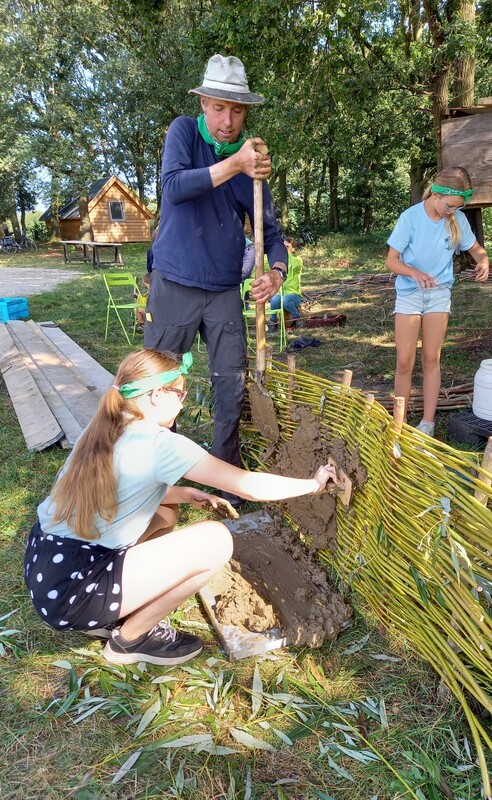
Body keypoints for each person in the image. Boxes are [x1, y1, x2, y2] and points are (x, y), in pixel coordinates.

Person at [23, 349, 338, 666]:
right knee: (216, 541)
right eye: (180, 392)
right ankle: (130, 639)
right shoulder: (161, 444)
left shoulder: (106, 425)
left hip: (50, 570)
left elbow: (120, 489)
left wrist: (185, 494)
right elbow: (248, 486)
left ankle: (113, 611)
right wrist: (312, 484)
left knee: (166, 514)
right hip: (76, 590)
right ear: (157, 394)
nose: (184, 401)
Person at [144, 54, 288, 508]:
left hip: (224, 291)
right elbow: (174, 187)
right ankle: (150, 477)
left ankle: (227, 476)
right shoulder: (183, 132)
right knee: (158, 385)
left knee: (230, 384)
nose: (228, 121)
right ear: (204, 103)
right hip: (175, 284)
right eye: (220, 108)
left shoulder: (254, 166)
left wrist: (277, 272)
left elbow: (275, 236)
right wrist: (235, 165)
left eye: (238, 110)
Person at [385, 167, 490, 437]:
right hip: (409, 293)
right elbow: (391, 260)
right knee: (404, 362)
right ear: (437, 193)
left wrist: (484, 260)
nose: (452, 211)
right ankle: (399, 422)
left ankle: (427, 424)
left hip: (439, 293)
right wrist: (415, 273)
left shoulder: (456, 219)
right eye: (450, 206)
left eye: (457, 208)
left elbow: (476, 250)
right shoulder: (410, 218)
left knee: (432, 358)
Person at [269, 237, 303, 328]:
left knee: (286, 300)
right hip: (280, 294)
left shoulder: (298, 259)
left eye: (287, 247)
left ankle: (297, 318)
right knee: (275, 299)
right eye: (283, 247)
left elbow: (296, 266)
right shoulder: (278, 261)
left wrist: (287, 255)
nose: (284, 249)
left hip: (294, 295)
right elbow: (266, 264)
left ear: (293, 249)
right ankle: (273, 320)